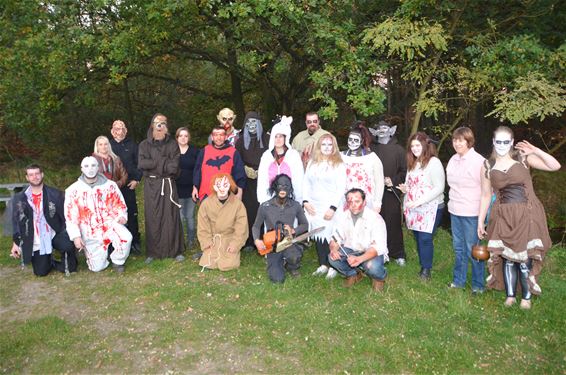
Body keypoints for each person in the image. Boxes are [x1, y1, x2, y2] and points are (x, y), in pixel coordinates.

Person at [477, 126, 560, 309]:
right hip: (502, 215)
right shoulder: (487, 165)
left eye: (506, 142)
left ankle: (526, 298)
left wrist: (535, 150)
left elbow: (555, 166)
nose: (502, 145)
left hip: (527, 214)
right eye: (498, 141)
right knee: (507, 258)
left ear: (512, 142)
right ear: (493, 142)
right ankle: (510, 296)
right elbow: (485, 195)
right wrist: (480, 221)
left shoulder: (523, 158)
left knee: (525, 258)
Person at [64, 157, 131, 272]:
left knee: (126, 238)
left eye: (93, 165)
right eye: (86, 166)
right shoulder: (73, 190)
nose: (90, 169)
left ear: (98, 168)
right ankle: (102, 253)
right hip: (90, 230)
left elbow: (119, 203)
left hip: (110, 224)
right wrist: (76, 236)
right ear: (81, 169)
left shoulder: (110, 186)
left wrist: (122, 216)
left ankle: (117, 260)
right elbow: (71, 216)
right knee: (97, 268)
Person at [10, 164, 78, 276]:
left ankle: (69, 259)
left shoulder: (55, 194)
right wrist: (16, 243)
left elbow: (66, 216)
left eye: (37, 174)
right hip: (36, 236)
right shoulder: (20, 198)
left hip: (54, 232)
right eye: (31, 175)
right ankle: (49, 261)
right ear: (27, 177)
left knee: (70, 266)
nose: (35, 177)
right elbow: (16, 222)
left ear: (42, 174)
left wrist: (71, 235)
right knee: (41, 272)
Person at [397, 132, 445, 281]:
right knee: (418, 237)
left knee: (425, 238)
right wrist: (406, 189)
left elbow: (439, 188)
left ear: (425, 145)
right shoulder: (413, 162)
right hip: (414, 207)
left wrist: (419, 201)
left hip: (432, 206)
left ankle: (426, 269)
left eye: (418, 145)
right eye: (412, 146)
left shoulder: (434, 162)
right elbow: (411, 184)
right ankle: (423, 263)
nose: (415, 149)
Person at [138, 113, 185, 263]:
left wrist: (155, 163)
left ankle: (175, 251)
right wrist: (163, 161)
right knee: (153, 217)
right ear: (152, 125)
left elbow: (174, 167)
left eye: (163, 123)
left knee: (171, 216)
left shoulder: (172, 144)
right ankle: (153, 252)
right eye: (157, 123)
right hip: (152, 186)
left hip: (168, 184)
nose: (160, 126)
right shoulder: (144, 145)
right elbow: (142, 164)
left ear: (166, 126)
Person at [446, 127, 486, 294]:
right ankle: (459, 281)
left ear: (469, 141)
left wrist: (482, 219)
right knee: (459, 248)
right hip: (455, 210)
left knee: (473, 249)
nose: (457, 143)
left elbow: (486, 192)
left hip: (472, 212)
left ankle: (478, 285)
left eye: (461, 140)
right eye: (455, 140)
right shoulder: (453, 159)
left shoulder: (479, 161)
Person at [302, 134, 346, 279]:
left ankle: (334, 265)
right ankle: (323, 264)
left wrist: (333, 208)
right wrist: (306, 201)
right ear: (319, 147)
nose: (327, 148)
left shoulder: (339, 164)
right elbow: (306, 183)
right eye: (324, 145)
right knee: (319, 234)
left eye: (329, 145)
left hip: (331, 205)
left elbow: (341, 188)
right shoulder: (312, 163)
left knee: (331, 235)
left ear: (334, 147)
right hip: (315, 205)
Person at [329, 188, 388, 291]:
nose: (353, 205)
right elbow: (335, 237)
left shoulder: (375, 219)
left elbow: (377, 247)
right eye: (350, 202)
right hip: (352, 250)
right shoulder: (342, 216)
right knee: (332, 258)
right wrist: (333, 249)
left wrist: (360, 259)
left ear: (364, 202)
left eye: (357, 201)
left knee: (371, 266)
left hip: (370, 252)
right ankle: (353, 274)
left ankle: (379, 278)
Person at [253, 174, 309, 283]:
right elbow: (256, 226)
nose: (283, 189)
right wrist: (256, 240)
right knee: (277, 279)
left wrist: (293, 230)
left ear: (290, 188)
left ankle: (292, 266)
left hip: (288, 242)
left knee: (294, 256)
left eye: (286, 186)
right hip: (273, 245)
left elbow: (305, 225)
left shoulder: (295, 205)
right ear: (274, 187)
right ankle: (277, 263)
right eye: (280, 185)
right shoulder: (265, 206)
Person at [369, 119, 407, 266]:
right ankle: (377, 252)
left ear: (391, 131)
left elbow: (405, 171)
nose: (382, 131)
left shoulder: (399, 150)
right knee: (375, 222)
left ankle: (397, 253)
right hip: (374, 192)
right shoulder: (371, 149)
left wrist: (393, 180)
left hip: (391, 192)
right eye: (379, 128)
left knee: (393, 222)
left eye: (385, 128)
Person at [197, 173, 249, 271]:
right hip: (213, 240)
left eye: (225, 185)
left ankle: (231, 253)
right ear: (214, 187)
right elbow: (202, 226)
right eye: (218, 185)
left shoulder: (238, 205)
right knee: (208, 262)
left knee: (229, 264)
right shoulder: (206, 204)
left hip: (229, 240)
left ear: (230, 186)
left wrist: (235, 244)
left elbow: (241, 228)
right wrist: (206, 242)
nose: (222, 188)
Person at [235, 111, 269, 251]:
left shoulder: (267, 139)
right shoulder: (241, 140)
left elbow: (271, 156)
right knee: (248, 210)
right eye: (248, 123)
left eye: (254, 122)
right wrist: (244, 169)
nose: (251, 125)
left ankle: (263, 238)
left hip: (263, 180)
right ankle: (249, 241)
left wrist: (262, 170)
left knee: (262, 208)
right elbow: (237, 159)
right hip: (248, 181)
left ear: (259, 123)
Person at [109, 120, 143, 255]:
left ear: (126, 130)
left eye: (122, 128)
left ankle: (135, 241)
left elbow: (140, 164)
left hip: (129, 186)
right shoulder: (108, 145)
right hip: (112, 188)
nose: (119, 131)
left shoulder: (133, 145)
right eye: (116, 129)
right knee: (113, 215)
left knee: (131, 213)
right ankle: (115, 242)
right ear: (112, 131)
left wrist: (137, 180)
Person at [192, 125, 246, 202]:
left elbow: (240, 174)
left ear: (226, 137)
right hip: (206, 194)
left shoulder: (233, 152)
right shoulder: (204, 151)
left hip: (225, 194)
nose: (218, 137)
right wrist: (195, 187)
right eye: (216, 135)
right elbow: (197, 171)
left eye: (221, 135)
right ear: (212, 137)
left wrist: (239, 193)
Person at [257, 115, 304, 204]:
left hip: (290, 199)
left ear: (285, 138)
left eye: (281, 136)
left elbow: (298, 179)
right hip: (270, 199)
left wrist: (298, 200)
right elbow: (262, 180)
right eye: (276, 136)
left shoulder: (293, 155)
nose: (278, 139)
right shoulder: (267, 156)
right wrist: (263, 201)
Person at [341, 121, 384, 213]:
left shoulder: (372, 157)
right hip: (344, 201)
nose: (352, 142)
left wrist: (377, 203)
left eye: (356, 140)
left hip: (366, 201)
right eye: (350, 139)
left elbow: (379, 182)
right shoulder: (341, 156)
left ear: (362, 141)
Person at [175, 127, 200, 248]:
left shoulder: (195, 151)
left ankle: (191, 240)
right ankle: (180, 241)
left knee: (189, 216)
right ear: (177, 138)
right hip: (176, 189)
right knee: (179, 217)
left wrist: (196, 186)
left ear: (188, 137)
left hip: (191, 189)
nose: (183, 138)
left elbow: (199, 170)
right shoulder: (172, 152)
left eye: (185, 135)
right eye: (181, 136)